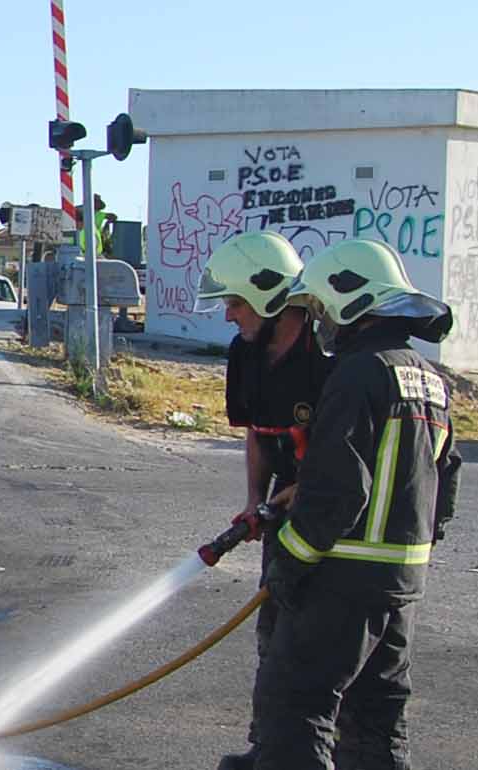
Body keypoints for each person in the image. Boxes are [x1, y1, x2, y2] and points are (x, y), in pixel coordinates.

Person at [247, 238, 462, 770]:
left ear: (350, 301)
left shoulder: (359, 372)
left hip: (343, 576)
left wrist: (290, 562)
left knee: (295, 706)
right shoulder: (428, 378)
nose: (320, 322)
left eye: (321, 308)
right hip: (401, 582)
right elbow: (446, 477)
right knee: (376, 718)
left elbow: (338, 488)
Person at [195, 231, 334, 770]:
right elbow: (257, 431)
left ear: (272, 298)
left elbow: (338, 461)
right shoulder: (245, 354)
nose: (228, 315)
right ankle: (268, 749)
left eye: (234, 303)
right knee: (271, 633)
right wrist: (256, 501)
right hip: (281, 513)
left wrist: (286, 499)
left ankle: (319, 751)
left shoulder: (326, 359)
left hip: (333, 515)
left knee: (321, 642)